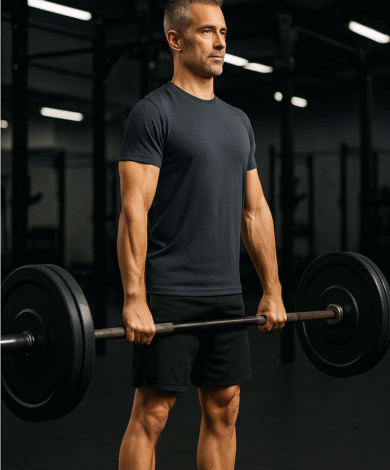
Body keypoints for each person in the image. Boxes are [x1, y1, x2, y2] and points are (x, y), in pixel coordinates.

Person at [115, 1, 287, 469]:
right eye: (208, 31)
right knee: (152, 414)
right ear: (175, 40)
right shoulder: (153, 113)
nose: (221, 42)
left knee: (225, 408)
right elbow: (133, 210)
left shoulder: (238, 121)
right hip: (170, 291)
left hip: (226, 293)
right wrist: (135, 298)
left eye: (224, 32)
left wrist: (272, 290)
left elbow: (255, 211)